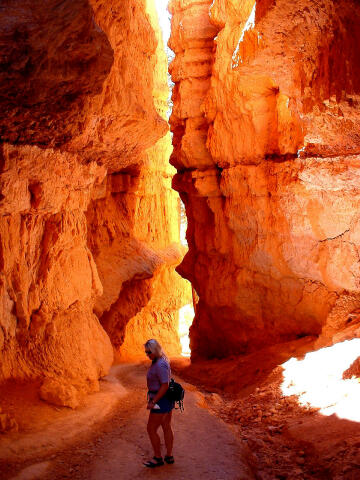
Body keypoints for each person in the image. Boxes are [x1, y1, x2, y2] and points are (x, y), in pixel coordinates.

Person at [143, 339, 175, 468]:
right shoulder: (160, 361)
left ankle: (158, 458)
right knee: (166, 426)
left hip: (161, 399)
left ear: (155, 350)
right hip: (165, 399)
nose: (147, 355)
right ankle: (169, 456)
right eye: (146, 352)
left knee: (151, 429)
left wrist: (153, 401)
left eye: (149, 352)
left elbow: (164, 385)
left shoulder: (160, 364)